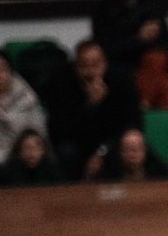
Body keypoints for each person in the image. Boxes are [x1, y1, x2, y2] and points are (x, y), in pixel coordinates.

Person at [91, 0, 168, 108]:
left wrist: (153, 41)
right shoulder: (103, 11)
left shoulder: (153, 7)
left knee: (159, 66)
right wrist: (138, 39)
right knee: (164, 83)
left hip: (151, 66)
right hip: (120, 67)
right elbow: (104, 49)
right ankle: (140, 111)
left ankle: (142, 107)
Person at [48, 39, 140, 178]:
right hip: (77, 145)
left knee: (132, 146)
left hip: (111, 144)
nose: (90, 72)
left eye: (95, 65)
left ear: (105, 63)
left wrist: (102, 152)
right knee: (66, 152)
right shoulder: (62, 83)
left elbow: (131, 122)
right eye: (84, 66)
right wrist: (90, 105)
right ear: (76, 66)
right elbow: (60, 131)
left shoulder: (121, 80)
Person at [0, 48, 48, 168]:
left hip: (26, 156)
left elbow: (39, 131)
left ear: (10, 71)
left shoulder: (27, 97)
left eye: (2, 69)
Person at [97, 126, 168, 181]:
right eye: (127, 149)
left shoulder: (160, 174)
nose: (132, 155)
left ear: (145, 151)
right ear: (120, 152)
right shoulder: (108, 176)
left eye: (136, 149)